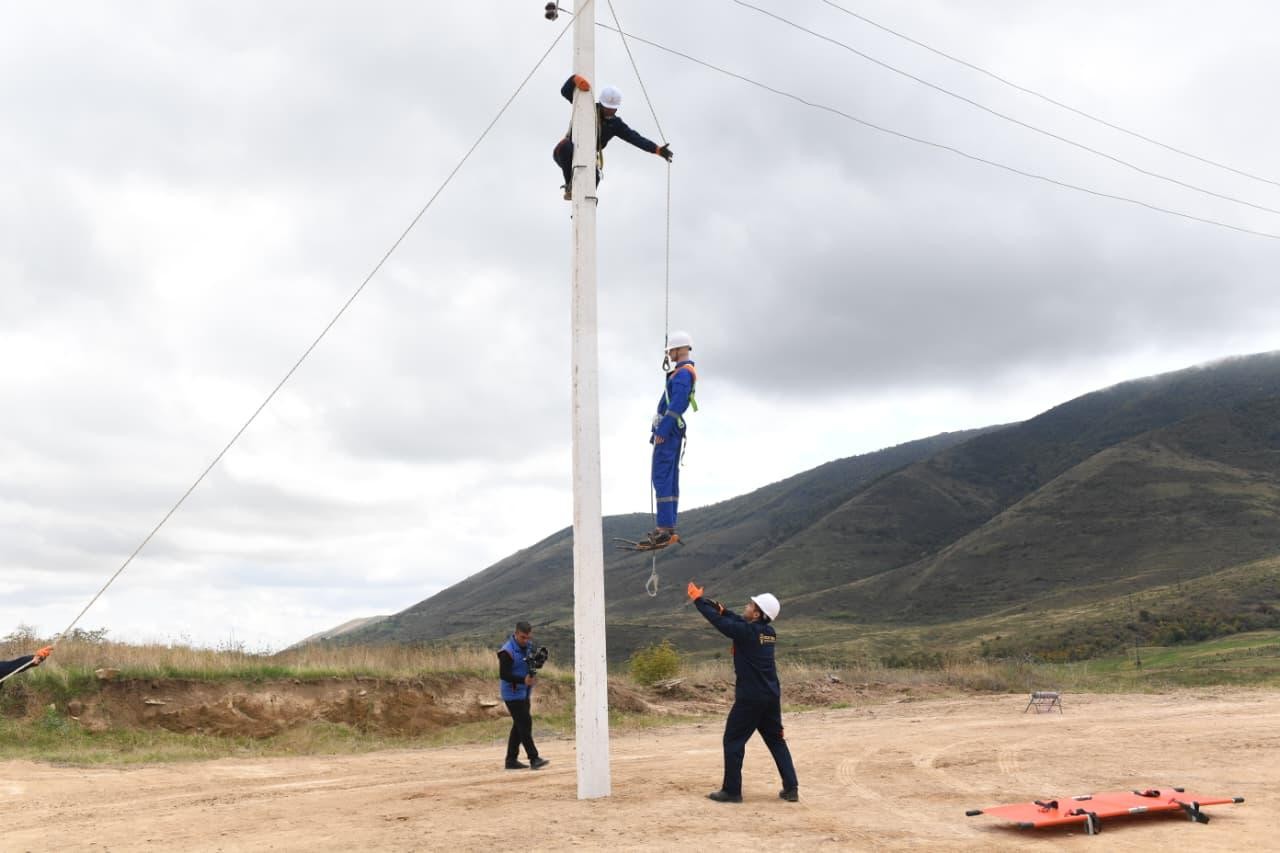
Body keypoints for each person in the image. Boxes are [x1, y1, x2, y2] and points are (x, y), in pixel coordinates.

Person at [687, 582, 799, 803]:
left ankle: (732, 791)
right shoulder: (769, 633)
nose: (746, 607)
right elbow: (738, 623)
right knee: (776, 741)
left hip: (750, 697)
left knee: (733, 741)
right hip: (770, 696)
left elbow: (724, 625)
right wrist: (724, 610)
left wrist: (699, 602)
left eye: (750, 605)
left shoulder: (748, 632)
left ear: (757, 614)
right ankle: (791, 788)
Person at [553, 74, 673, 200]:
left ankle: (587, 204)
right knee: (566, 147)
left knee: (595, 176)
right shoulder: (587, 107)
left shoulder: (615, 124)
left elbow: (635, 138)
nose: (610, 111)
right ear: (601, 103)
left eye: (613, 109)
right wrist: (573, 80)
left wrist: (657, 149)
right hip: (565, 152)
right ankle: (569, 186)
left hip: (587, 157)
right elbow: (565, 92)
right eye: (607, 108)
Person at [646, 332, 696, 549]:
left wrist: (663, 430)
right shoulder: (680, 373)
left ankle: (664, 528)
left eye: (671, 351)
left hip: (670, 430)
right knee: (668, 476)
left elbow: (677, 404)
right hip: (671, 430)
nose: (669, 355)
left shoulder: (683, 374)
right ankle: (667, 526)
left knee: (662, 476)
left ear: (679, 349)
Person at [497, 621, 549, 770]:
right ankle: (534, 758)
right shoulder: (506, 651)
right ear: (516, 633)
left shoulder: (528, 647)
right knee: (525, 724)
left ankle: (511, 760)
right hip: (512, 694)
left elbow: (532, 664)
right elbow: (504, 674)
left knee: (519, 725)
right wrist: (523, 680)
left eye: (528, 637)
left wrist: (539, 663)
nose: (526, 640)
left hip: (525, 692)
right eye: (523, 637)